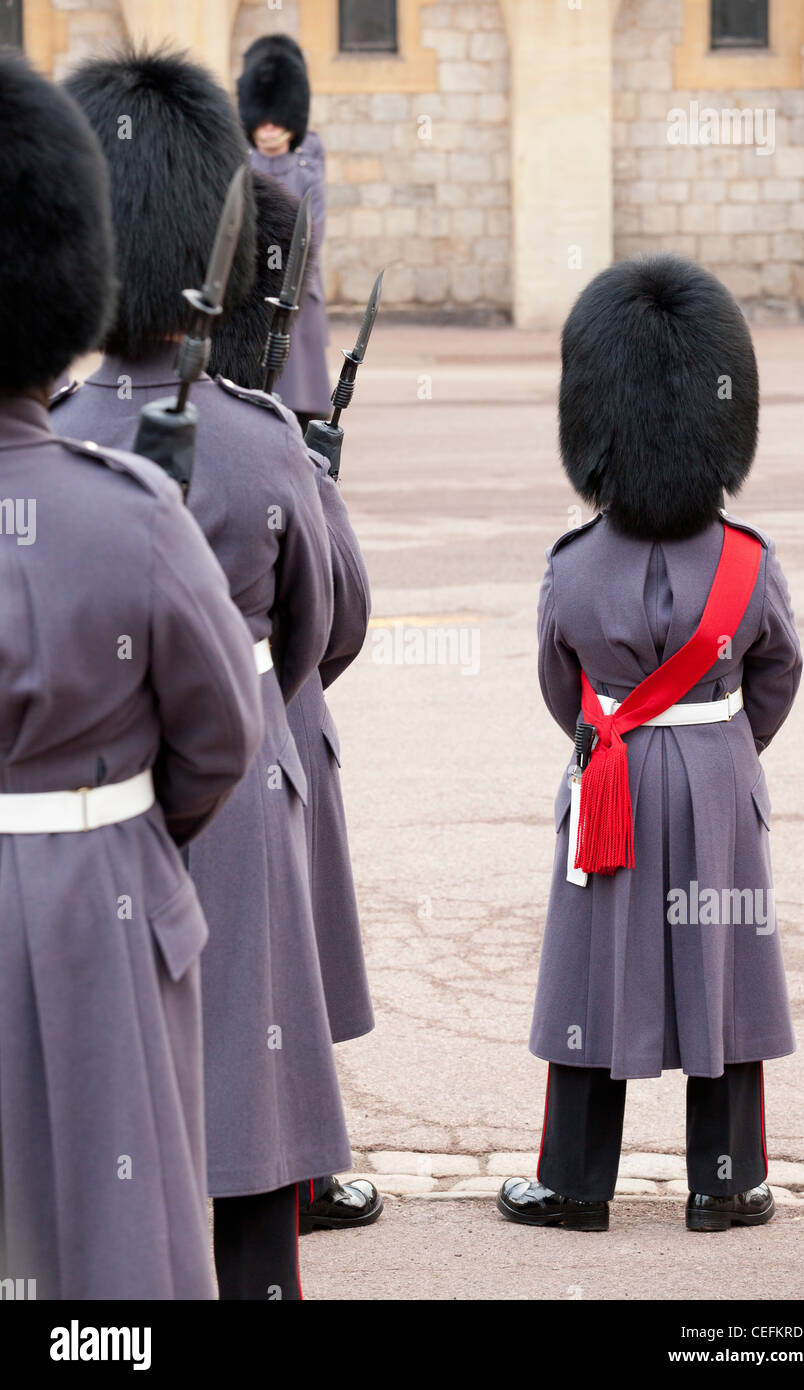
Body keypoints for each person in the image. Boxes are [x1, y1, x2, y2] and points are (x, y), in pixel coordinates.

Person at [56, 47, 351, 1300]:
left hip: (87, 813)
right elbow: (327, 634)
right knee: (245, 1124)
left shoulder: (54, 434)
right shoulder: (263, 438)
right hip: (238, 806)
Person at [0, 51, 263, 1299]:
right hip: (99, 894)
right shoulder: (132, 514)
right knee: (114, 1255)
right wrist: (117, 828)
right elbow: (221, 736)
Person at [498, 255, 802, 1234]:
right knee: (728, 973)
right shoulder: (750, 564)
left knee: (595, 969)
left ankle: (576, 1185)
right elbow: (778, 673)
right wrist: (720, 748)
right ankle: (723, 1183)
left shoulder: (573, 568)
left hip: (612, 775)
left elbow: (560, 685)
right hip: (718, 770)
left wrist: (616, 742)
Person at [209, 169, 382, 1233]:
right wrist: (318, 481)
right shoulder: (265, 436)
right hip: (264, 724)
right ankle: (290, 1174)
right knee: (267, 976)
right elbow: (333, 626)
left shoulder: (76, 423)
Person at [237, 33, 332, 432]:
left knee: (300, 393)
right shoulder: (242, 163)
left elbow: (315, 229)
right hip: (252, 290)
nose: (270, 128)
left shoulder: (307, 166)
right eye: (263, 120)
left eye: (278, 120)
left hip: (300, 292)